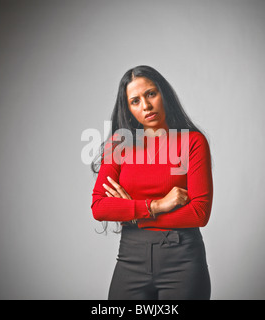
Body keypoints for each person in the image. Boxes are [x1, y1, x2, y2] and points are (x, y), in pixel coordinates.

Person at [90, 65, 213, 300]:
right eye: (135, 101)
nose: (146, 106)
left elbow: (199, 213)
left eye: (150, 94)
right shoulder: (119, 144)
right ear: (128, 109)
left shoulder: (192, 142)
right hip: (130, 258)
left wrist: (135, 215)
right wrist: (156, 206)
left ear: (163, 94)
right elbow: (99, 207)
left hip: (182, 260)